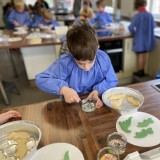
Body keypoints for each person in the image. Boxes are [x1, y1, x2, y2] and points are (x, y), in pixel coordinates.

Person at [35, 24, 118, 108]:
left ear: (97, 48)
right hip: (71, 104)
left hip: (96, 101)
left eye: (90, 62)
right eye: (80, 63)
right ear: (71, 53)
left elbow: (111, 80)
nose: (86, 68)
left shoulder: (103, 58)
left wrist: (97, 91)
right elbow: (41, 79)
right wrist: (63, 89)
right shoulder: (65, 62)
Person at [128, 0, 156, 77]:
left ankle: (140, 72)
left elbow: (130, 28)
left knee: (140, 55)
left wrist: (134, 32)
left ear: (137, 6)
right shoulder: (150, 15)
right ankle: (143, 71)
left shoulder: (137, 16)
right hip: (148, 40)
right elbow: (153, 26)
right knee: (144, 54)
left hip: (140, 39)